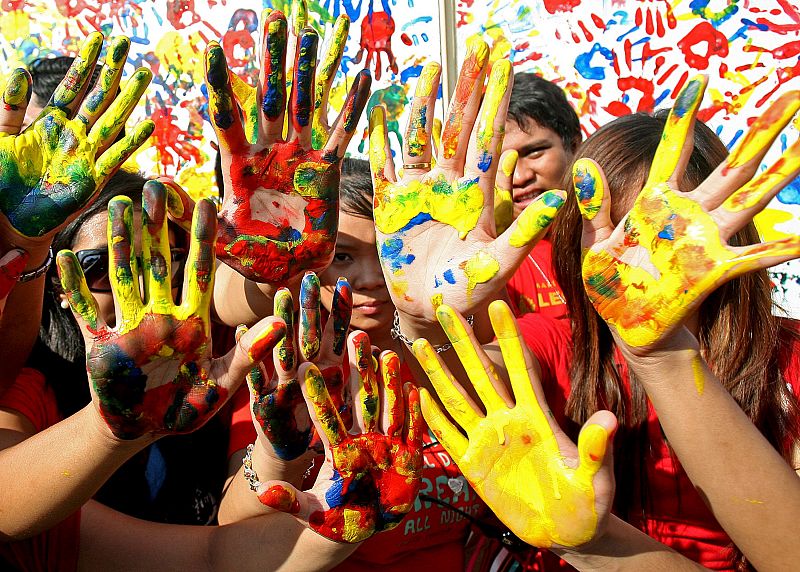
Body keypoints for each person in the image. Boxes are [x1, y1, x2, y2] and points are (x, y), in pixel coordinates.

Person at [375, 60, 800, 570]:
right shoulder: (562, 341)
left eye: (656, 233)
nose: (629, 258)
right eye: (604, 227)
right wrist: (426, 316)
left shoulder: (789, 359)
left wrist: (660, 356)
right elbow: (466, 382)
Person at [501, 72, 581, 320]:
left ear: (575, 147)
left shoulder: (617, 238)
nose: (519, 177)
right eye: (500, 162)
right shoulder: (486, 264)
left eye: (534, 152)